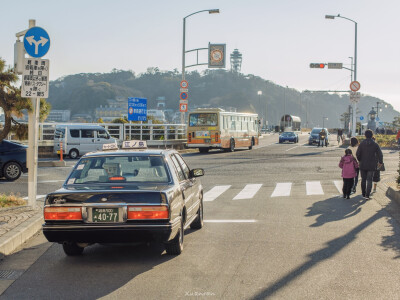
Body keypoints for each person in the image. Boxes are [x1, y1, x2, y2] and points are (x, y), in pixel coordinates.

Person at [356, 129, 383, 200]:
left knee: (363, 179)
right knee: (370, 180)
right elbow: (380, 154)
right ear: (372, 135)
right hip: (372, 165)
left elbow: (357, 153)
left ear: (365, 135)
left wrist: (360, 160)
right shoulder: (375, 144)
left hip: (363, 164)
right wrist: (380, 162)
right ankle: (367, 195)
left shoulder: (362, 143)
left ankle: (363, 194)